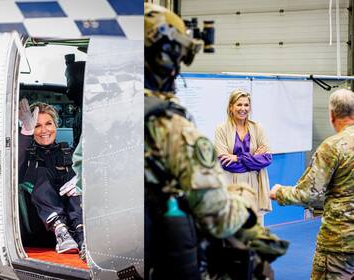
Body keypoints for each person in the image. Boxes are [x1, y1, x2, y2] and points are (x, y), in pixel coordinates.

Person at [144, 3, 261, 280]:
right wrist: (245, 199)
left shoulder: (105, 117)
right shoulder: (173, 130)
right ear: (170, 57)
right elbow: (218, 218)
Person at [270, 88, 354, 280]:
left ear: (332, 115)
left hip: (339, 244)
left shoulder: (333, 146)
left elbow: (308, 194)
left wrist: (279, 192)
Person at [18, 99, 84, 254]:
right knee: (42, 174)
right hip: (41, 225)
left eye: (48, 123)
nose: (44, 130)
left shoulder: (71, 154)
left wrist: (82, 178)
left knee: (74, 178)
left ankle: (82, 236)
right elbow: (13, 169)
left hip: (75, 223)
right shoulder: (25, 155)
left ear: (56, 125)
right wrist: (26, 131)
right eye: (37, 126)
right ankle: (60, 229)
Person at [215, 89, 272, 223]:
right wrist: (253, 157)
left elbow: (267, 159)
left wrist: (237, 158)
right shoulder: (221, 129)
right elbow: (226, 163)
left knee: (255, 229)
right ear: (231, 107)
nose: (243, 109)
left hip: (255, 185)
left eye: (246, 105)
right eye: (239, 105)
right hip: (231, 184)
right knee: (233, 227)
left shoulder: (258, 128)